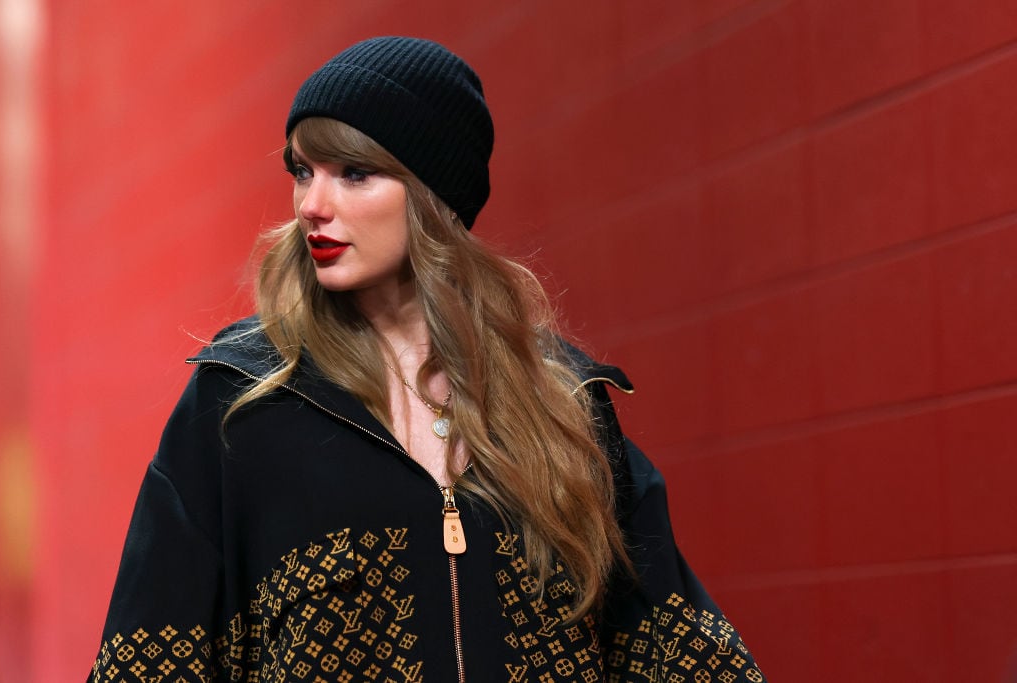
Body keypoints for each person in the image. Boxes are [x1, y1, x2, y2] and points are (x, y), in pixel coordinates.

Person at [89, 36, 766, 683]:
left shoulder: (562, 401)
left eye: (355, 173)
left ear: (434, 196)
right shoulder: (245, 399)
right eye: (302, 170)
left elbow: (676, 648)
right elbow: (149, 654)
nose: (313, 205)